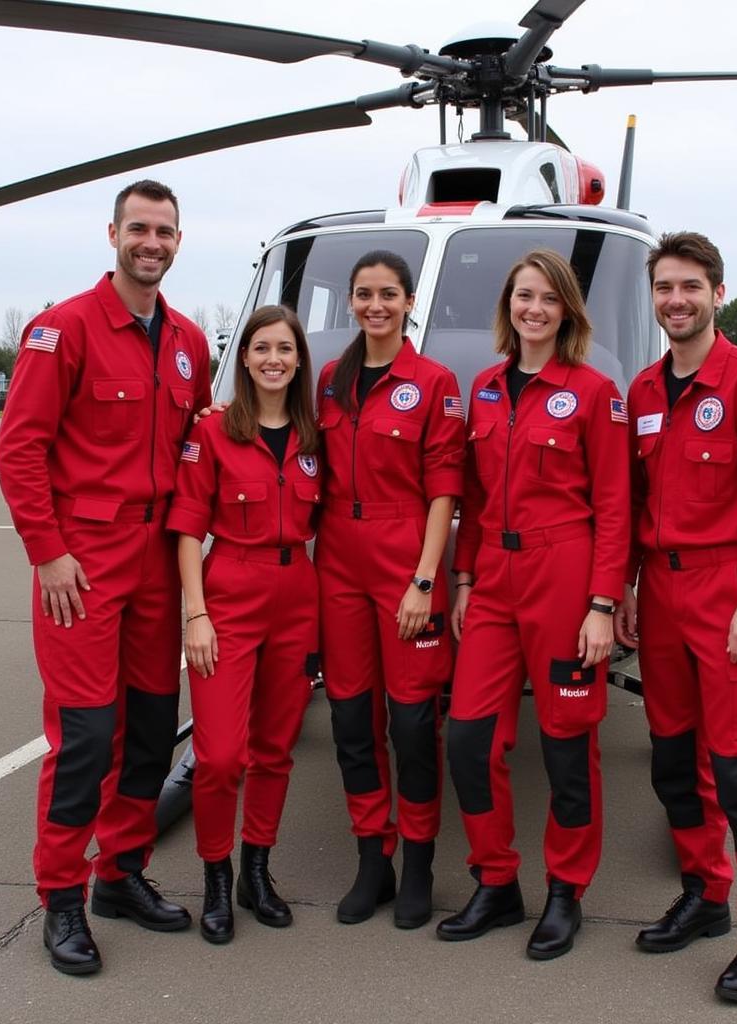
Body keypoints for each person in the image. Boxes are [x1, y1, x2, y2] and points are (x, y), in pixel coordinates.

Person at [0, 180, 212, 975]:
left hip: (159, 559)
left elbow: (198, 449)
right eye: (139, 229)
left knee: (153, 730)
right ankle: (60, 896)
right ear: (113, 234)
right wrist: (47, 550)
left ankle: (120, 873)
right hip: (82, 561)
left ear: (180, 241)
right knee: (87, 737)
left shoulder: (190, 339)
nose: (151, 243)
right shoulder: (65, 329)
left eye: (165, 231)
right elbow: (19, 447)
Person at [614, 232, 737, 1004]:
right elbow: (633, 503)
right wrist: (627, 585)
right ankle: (704, 893)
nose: (677, 300)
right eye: (664, 287)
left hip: (731, 595)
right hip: (660, 594)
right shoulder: (644, 392)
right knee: (674, 760)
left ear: (717, 293)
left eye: (690, 286)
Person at [437, 249, 630, 961]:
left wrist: (602, 603)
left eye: (549, 298)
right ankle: (495, 881)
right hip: (493, 578)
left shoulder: (593, 392)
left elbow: (615, 507)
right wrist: (463, 581)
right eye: (524, 296)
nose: (535, 309)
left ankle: (565, 892)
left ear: (567, 310)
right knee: (467, 739)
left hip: (566, 574)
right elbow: (474, 498)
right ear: (508, 305)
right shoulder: (485, 389)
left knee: (567, 746)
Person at [315, 250, 465, 929]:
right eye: (364, 293)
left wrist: (425, 581)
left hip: (406, 558)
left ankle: (420, 861)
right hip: (338, 563)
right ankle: (371, 856)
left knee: (410, 723)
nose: (376, 304)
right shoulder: (328, 380)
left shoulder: (433, 382)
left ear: (409, 303)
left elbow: (444, 490)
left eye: (388, 294)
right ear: (351, 301)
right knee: (351, 720)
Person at [168, 305, 320, 944]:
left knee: (274, 750)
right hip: (228, 590)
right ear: (245, 358)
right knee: (221, 753)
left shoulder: (317, 436)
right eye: (261, 348)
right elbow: (185, 528)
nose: (273, 360)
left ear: (298, 360)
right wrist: (195, 614)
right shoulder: (212, 434)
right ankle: (215, 875)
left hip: (298, 595)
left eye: (285, 348)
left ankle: (257, 869)